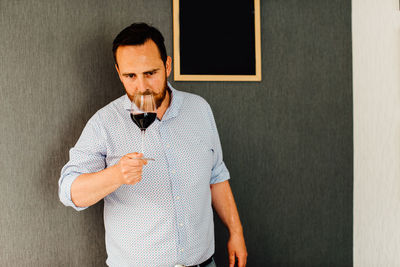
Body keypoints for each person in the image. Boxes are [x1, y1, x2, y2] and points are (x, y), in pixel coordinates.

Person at [58, 23, 247, 267]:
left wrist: (236, 232)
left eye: (150, 73)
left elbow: (216, 176)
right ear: (118, 73)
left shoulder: (199, 109)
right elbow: (68, 190)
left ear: (167, 65)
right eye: (130, 76)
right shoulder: (104, 123)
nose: (142, 87)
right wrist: (115, 175)